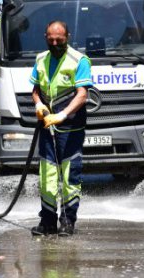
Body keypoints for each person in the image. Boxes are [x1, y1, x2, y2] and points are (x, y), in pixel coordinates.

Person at [29, 20, 93, 237]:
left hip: (71, 128)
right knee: (46, 174)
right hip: (47, 126)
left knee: (69, 175)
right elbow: (36, 89)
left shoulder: (79, 60)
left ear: (68, 37)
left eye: (60, 39)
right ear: (46, 37)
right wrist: (38, 104)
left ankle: (67, 221)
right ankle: (47, 221)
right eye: (51, 39)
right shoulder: (40, 59)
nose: (55, 43)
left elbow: (83, 95)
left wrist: (62, 115)